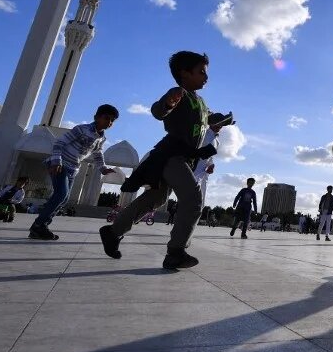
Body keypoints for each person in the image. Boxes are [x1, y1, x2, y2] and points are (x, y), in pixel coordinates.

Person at [99, 51, 234, 270]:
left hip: (182, 159)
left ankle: (113, 232)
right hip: (172, 156)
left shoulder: (199, 101)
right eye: (201, 72)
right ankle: (176, 252)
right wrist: (167, 103)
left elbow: (207, 118)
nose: (206, 77)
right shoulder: (178, 94)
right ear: (184, 73)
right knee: (192, 199)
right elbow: (158, 111)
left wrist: (223, 119)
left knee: (155, 198)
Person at [29, 104, 118, 240]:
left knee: (63, 199)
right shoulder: (82, 129)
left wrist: (103, 168)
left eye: (112, 120)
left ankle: (42, 226)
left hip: (73, 169)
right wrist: (56, 161)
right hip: (61, 164)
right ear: (96, 117)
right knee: (61, 194)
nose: (109, 122)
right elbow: (59, 143)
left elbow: (98, 154)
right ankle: (38, 225)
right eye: (106, 118)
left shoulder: (101, 138)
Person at [192, 112, 230, 205]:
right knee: (191, 199)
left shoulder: (217, 141)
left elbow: (210, 157)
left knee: (200, 202)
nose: (220, 126)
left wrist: (211, 164)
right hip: (193, 170)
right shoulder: (203, 133)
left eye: (221, 124)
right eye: (218, 123)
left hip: (203, 173)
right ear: (211, 123)